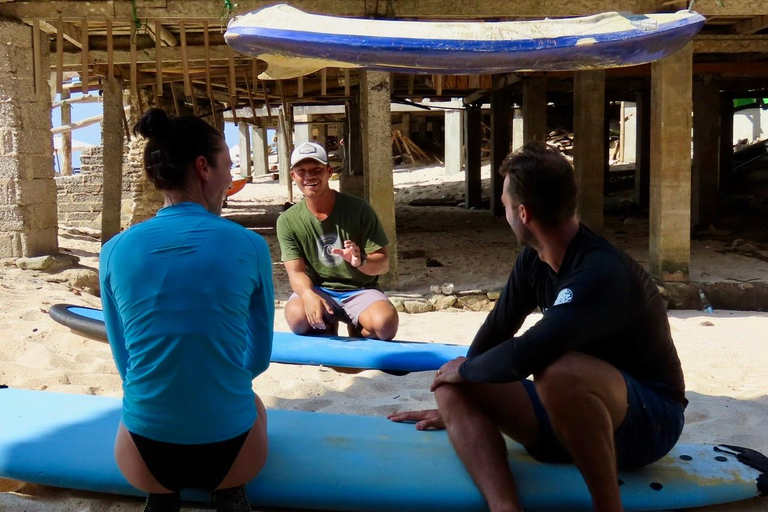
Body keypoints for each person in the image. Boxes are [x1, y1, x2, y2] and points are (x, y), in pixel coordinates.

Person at [389, 141, 687, 512]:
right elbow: (496, 332)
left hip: (649, 421)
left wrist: (466, 370)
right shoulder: (534, 260)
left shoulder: (601, 272)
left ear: (523, 213)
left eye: (504, 204)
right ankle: (505, 507)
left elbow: (527, 353)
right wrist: (462, 397)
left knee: (555, 370)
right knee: (451, 387)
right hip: (569, 412)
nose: (504, 212)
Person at [99, 109, 274, 512]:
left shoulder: (113, 251)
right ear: (203, 167)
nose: (231, 177)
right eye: (228, 165)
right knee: (254, 402)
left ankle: (163, 495)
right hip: (236, 456)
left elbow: (126, 365)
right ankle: (228, 491)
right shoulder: (250, 246)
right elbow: (258, 359)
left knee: (142, 398)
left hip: (144, 459)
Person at [276, 141, 399, 340]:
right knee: (297, 319)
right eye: (302, 171)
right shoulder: (287, 221)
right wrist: (308, 295)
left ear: (329, 171)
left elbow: (383, 264)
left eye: (317, 170)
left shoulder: (359, 209)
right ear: (293, 176)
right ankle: (327, 325)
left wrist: (360, 261)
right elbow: (295, 271)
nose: (310, 176)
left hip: (360, 289)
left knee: (384, 326)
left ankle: (356, 326)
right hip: (319, 289)